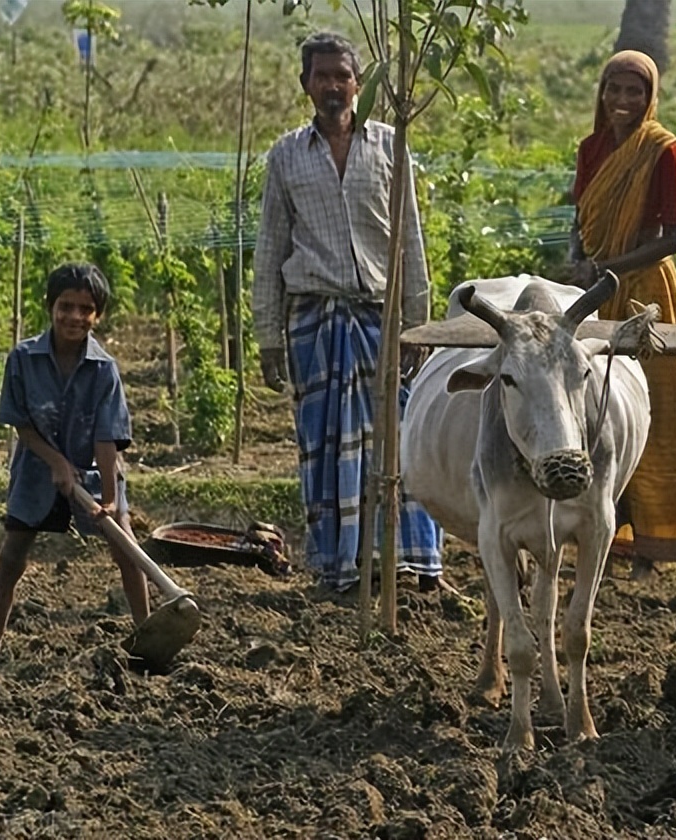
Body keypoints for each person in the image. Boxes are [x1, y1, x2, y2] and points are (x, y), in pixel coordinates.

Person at [253, 31, 444, 594]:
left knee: (398, 440)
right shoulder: (287, 155)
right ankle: (339, 568)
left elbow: (410, 240)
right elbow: (270, 249)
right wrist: (268, 338)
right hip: (315, 324)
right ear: (306, 84)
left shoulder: (390, 145)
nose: (333, 86)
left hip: (379, 319)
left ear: (359, 83)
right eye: (322, 76)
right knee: (326, 447)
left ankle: (409, 563)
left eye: (342, 75)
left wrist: (418, 325)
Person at [569, 49, 676, 580]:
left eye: (634, 92)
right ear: (601, 93)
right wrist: (581, 266)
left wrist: (611, 266)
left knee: (654, 412)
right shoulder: (591, 149)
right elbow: (581, 221)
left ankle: (652, 546)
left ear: (650, 97)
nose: (622, 100)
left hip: (646, 292)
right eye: (614, 89)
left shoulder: (664, 151)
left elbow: (674, 238)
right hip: (598, 289)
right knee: (595, 410)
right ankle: (605, 534)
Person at [0, 263, 149, 653]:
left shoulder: (104, 369)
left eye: (86, 309)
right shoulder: (23, 358)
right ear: (51, 306)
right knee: (11, 557)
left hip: (94, 473)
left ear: (98, 315)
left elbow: (107, 437)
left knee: (128, 551)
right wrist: (56, 461)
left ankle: (148, 637)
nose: (75, 316)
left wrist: (110, 498)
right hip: (35, 473)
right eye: (66, 306)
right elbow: (22, 424)